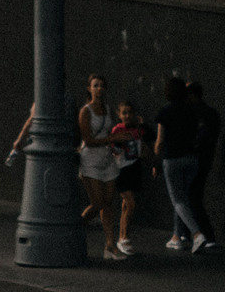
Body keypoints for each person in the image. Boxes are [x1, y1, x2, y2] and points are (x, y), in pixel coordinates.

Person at [153, 74, 215, 253]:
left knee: (177, 199)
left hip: (172, 159)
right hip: (191, 159)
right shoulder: (192, 111)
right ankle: (176, 237)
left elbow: (159, 141)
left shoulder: (164, 112)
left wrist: (156, 162)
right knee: (182, 200)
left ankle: (196, 234)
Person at [107, 99, 148, 257]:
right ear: (119, 115)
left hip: (134, 169)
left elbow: (144, 142)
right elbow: (113, 148)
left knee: (126, 205)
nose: (127, 115)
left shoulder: (138, 130)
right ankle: (123, 237)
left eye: (130, 112)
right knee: (131, 203)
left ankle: (123, 238)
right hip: (121, 170)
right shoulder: (118, 129)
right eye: (124, 113)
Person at [76, 74, 117, 230]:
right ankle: (77, 227)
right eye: (95, 85)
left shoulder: (108, 109)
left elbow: (112, 131)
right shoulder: (86, 111)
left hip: (107, 159)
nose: (99, 88)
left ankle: (110, 244)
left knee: (107, 203)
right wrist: (112, 138)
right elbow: (88, 140)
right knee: (97, 203)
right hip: (91, 160)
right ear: (89, 89)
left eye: (101, 85)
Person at [184, 78, 222, 242]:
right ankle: (189, 233)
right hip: (204, 160)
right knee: (191, 197)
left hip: (195, 160)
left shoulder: (194, 113)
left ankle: (205, 234)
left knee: (191, 198)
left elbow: (201, 138)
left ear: (191, 95)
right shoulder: (211, 113)